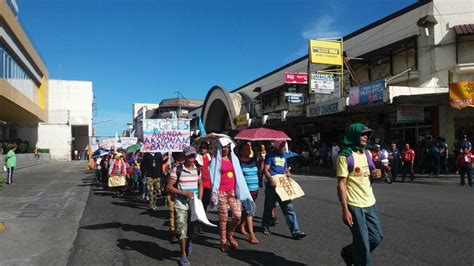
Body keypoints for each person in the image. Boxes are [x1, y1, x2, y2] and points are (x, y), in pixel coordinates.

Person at [337, 123, 383, 266]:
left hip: (370, 202)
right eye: (362, 134)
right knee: (362, 243)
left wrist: (377, 174)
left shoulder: (367, 153)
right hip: (354, 205)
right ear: (354, 135)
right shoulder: (345, 156)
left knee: (376, 237)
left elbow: (372, 173)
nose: (365, 137)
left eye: (367, 134)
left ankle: (349, 253)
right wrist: (345, 210)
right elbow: (341, 184)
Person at [210, 138, 256, 252]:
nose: (225, 149)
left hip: (233, 192)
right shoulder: (215, 161)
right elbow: (212, 178)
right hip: (221, 192)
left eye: (227, 147)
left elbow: (239, 176)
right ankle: (223, 241)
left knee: (237, 215)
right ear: (219, 148)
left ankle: (230, 234)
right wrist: (213, 194)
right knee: (223, 218)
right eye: (223, 147)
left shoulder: (234, 159)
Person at [261, 140, 306, 240]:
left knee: (289, 207)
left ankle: (295, 231)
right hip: (272, 186)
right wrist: (270, 179)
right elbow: (266, 170)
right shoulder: (270, 155)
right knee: (269, 207)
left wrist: (288, 173)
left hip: (282, 185)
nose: (283, 147)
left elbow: (285, 169)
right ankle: (265, 226)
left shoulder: (284, 156)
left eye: (284, 146)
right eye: (281, 145)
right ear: (277, 145)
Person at [166, 146, 203, 266]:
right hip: (181, 204)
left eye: (193, 155)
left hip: (194, 206)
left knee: (193, 230)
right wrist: (183, 193)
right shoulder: (177, 170)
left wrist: (200, 199)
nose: (192, 158)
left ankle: (189, 241)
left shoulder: (197, 170)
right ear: (184, 156)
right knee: (182, 231)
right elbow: (169, 187)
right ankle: (183, 255)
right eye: (189, 156)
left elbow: (200, 184)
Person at [237, 142, 260, 244]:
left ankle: (241, 225)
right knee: (250, 211)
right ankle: (252, 235)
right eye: (246, 148)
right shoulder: (238, 162)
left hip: (255, 189)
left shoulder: (254, 160)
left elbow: (260, 172)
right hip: (246, 191)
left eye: (249, 148)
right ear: (241, 151)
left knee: (246, 210)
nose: (248, 150)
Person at [196, 142, 212, 211]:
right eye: (201, 148)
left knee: (206, 199)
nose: (202, 150)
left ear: (207, 149)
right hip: (200, 180)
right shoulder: (197, 157)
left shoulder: (210, 157)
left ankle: (203, 212)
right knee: (199, 198)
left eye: (204, 148)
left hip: (208, 181)